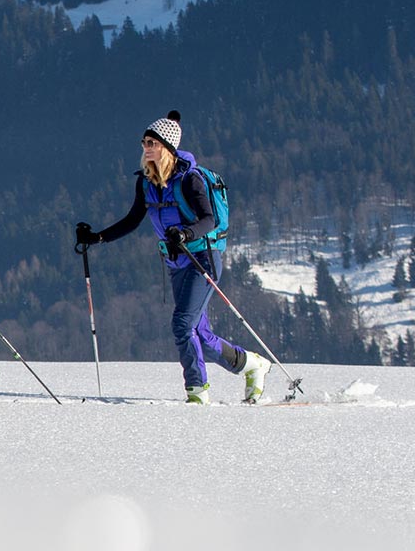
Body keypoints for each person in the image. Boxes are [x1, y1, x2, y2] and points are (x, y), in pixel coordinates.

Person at [74, 110, 272, 404]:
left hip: (203, 258)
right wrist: (97, 237)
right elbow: (133, 219)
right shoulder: (146, 182)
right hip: (177, 263)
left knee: (182, 324)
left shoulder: (190, 180)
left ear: (167, 146)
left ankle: (197, 392)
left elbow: (209, 220)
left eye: (152, 142)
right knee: (199, 335)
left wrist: (186, 234)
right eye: (144, 142)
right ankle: (251, 365)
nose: (146, 147)